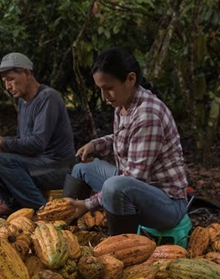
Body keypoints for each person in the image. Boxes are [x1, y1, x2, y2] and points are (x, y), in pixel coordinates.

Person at [64, 47, 189, 236]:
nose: (104, 96)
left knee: (115, 187)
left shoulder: (148, 114)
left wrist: (88, 204)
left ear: (130, 79)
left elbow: (133, 178)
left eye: (109, 88)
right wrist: (96, 145)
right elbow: (124, 137)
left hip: (167, 204)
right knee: (82, 169)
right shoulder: (123, 104)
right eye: (100, 89)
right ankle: (65, 225)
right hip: (137, 187)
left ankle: (121, 248)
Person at [0, 52, 75, 216]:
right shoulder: (23, 101)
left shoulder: (48, 97)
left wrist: (1, 142)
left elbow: (37, 144)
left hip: (58, 167)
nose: (7, 86)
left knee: (2, 159)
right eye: (4, 81)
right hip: (39, 163)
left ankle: (42, 211)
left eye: (11, 79)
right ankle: (12, 204)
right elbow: (23, 142)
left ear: (26, 73)